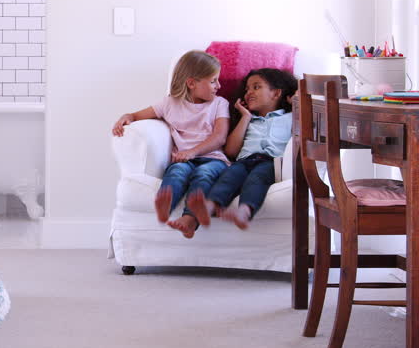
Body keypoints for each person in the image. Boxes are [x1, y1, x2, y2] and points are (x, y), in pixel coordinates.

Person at [111, 50, 230, 238]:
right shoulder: (169, 103)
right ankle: (164, 208)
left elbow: (219, 137)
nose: (219, 85)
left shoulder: (219, 103)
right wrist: (126, 117)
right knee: (176, 172)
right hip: (183, 160)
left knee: (203, 175)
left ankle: (190, 218)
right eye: (213, 80)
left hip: (212, 159)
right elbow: (136, 115)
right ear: (191, 83)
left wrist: (192, 152)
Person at [193, 68, 298, 230]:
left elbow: (308, 129)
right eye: (247, 89)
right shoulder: (249, 120)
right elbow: (231, 152)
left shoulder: (290, 117)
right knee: (229, 176)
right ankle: (210, 205)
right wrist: (245, 117)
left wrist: (298, 106)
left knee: (257, 179)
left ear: (276, 93)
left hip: (271, 162)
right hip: (244, 161)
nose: (249, 92)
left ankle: (244, 211)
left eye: (256, 87)